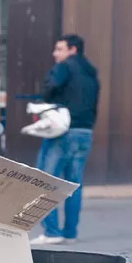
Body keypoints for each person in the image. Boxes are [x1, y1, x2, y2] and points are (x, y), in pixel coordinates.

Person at [29, 34, 100, 246]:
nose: (55, 54)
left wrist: (48, 94)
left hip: (63, 132)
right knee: (73, 184)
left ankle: (52, 232)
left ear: (72, 50)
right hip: (84, 132)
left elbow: (50, 89)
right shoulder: (91, 73)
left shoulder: (65, 67)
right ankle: (70, 232)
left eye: (59, 49)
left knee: (46, 181)